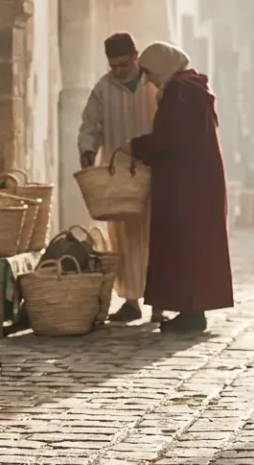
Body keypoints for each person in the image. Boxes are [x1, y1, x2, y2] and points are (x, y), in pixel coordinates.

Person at [128, 42, 233, 333]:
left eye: (149, 72)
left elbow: (170, 136)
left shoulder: (181, 92)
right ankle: (190, 309)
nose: (148, 79)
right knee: (189, 245)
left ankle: (192, 312)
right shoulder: (189, 88)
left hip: (187, 185)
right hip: (195, 181)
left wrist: (135, 146)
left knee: (185, 244)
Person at [77, 33, 160, 323]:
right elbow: (90, 124)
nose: (120, 72)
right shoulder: (104, 88)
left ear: (136, 56)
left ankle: (159, 302)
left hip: (153, 170)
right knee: (123, 237)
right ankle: (131, 300)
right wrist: (87, 150)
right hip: (118, 172)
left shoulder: (154, 83)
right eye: (115, 67)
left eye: (125, 65)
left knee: (156, 234)